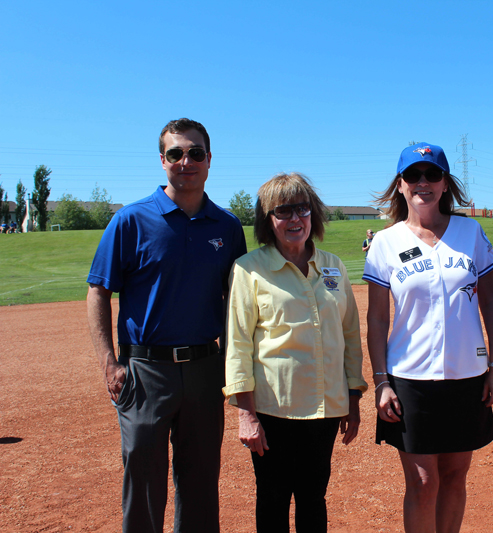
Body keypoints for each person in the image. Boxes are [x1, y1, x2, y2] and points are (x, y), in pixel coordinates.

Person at [86, 118, 247, 533]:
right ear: (162, 161)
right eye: (176, 153)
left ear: (209, 159)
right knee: (142, 480)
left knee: (200, 483)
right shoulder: (131, 220)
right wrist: (109, 362)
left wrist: (234, 367)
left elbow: (238, 302)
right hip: (145, 371)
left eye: (195, 153)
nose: (186, 161)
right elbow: (99, 291)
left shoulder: (227, 227)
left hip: (205, 368)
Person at [364, 142, 493, 533]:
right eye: (413, 175)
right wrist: (381, 382)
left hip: (467, 375)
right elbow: (377, 319)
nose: (422, 182)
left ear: (446, 184)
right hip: (410, 378)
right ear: (400, 185)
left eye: (432, 174)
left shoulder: (470, 231)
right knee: (424, 482)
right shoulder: (386, 242)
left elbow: (491, 306)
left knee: (456, 476)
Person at [224, 172, 367, 533]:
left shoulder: (333, 266)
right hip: (273, 410)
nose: (294, 219)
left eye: (301, 209)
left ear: (313, 214)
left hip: (324, 409)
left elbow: (349, 334)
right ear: (267, 221)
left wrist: (353, 397)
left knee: (313, 498)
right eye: (282, 211)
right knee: (272, 499)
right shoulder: (249, 270)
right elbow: (238, 342)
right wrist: (246, 415)